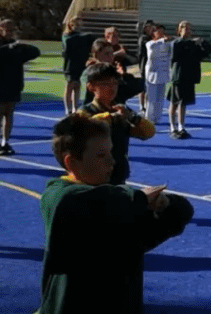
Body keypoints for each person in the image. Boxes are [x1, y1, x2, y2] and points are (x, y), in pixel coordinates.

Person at [38, 114, 193, 314]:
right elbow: (79, 202)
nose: (112, 161)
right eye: (101, 156)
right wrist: (139, 199)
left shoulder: (120, 207)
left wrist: (167, 203)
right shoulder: (59, 194)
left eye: (111, 153)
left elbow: (180, 214)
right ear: (71, 163)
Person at [79, 63, 156, 185]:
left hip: (118, 174)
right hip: (93, 177)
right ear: (91, 87)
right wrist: (110, 117)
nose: (112, 87)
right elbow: (87, 126)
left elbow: (148, 132)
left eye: (115, 83)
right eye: (105, 84)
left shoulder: (122, 111)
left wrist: (132, 117)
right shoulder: (85, 112)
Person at [0, 19, 41, 155]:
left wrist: (24, 46)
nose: (11, 33)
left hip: (13, 85)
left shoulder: (16, 46)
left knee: (9, 114)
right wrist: (9, 48)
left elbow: (36, 52)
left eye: (13, 30)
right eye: (8, 30)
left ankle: (5, 142)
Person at [167, 21, 211, 139]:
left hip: (189, 76)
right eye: (185, 28)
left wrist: (202, 42)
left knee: (183, 102)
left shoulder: (193, 44)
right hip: (179, 75)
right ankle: (173, 126)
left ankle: (181, 126)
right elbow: (175, 56)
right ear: (179, 30)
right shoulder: (176, 43)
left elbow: (206, 52)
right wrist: (190, 43)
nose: (187, 31)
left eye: (189, 29)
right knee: (175, 102)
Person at [61, 16, 94, 115]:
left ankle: (75, 107)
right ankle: (68, 108)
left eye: (80, 24)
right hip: (70, 64)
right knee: (70, 85)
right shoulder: (66, 35)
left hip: (80, 63)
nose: (79, 26)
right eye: (76, 24)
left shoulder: (82, 36)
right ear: (71, 25)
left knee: (77, 85)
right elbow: (68, 44)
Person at [144, 24, 172, 128]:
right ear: (153, 34)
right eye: (158, 31)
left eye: (162, 31)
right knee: (151, 98)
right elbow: (152, 49)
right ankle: (148, 118)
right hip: (152, 74)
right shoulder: (150, 43)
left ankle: (157, 117)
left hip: (163, 74)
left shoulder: (166, 44)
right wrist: (163, 41)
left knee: (160, 97)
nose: (161, 34)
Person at [136, 20, 154, 109]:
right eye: (148, 27)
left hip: (152, 65)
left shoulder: (154, 38)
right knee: (143, 85)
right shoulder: (143, 38)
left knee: (150, 86)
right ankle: (141, 104)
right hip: (144, 63)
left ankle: (147, 104)